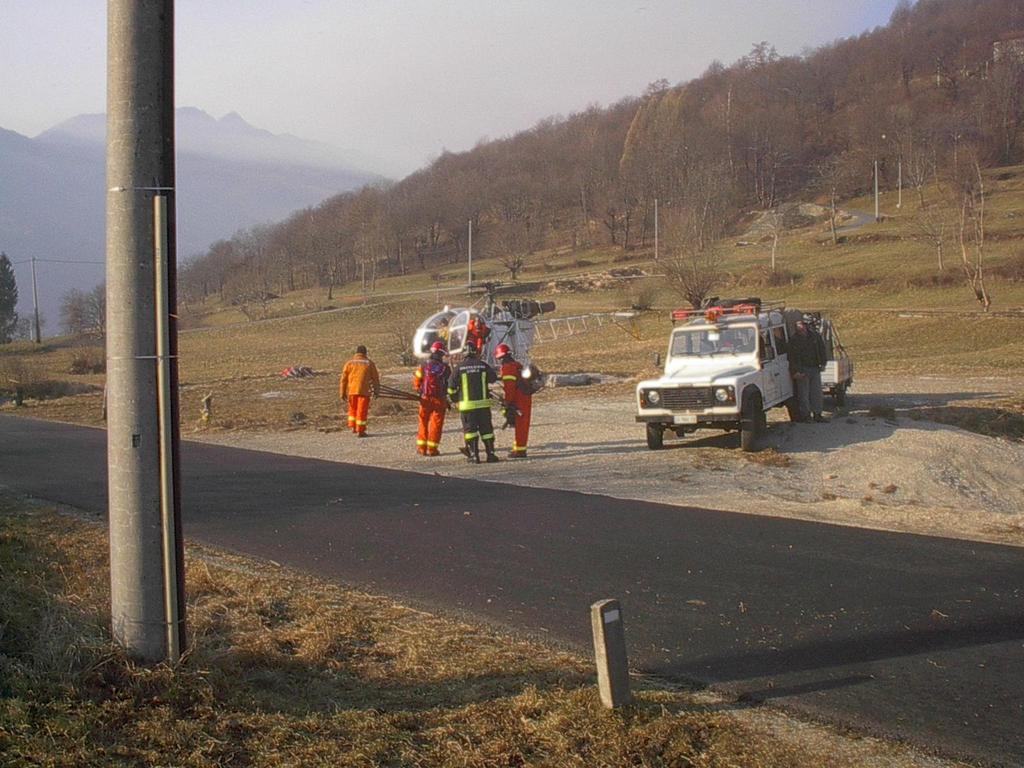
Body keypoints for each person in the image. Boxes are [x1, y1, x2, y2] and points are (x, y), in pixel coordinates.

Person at [447, 341, 499, 463]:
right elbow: (493, 378)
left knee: (470, 431)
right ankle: (491, 455)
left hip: (467, 406)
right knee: (487, 431)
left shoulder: (459, 368)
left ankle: (474, 456)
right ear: (476, 352)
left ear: (464, 353)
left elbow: (450, 388)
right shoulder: (483, 365)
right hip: (483, 405)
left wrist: (455, 400)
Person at [413, 341, 452, 456]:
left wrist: (419, 390)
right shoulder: (445, 368)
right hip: (439, 399)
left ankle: (421, 448)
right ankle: (432, 449)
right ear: (441, 354)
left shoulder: (424, 365)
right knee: (436, 424)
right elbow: (449, 385)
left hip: (425, 398)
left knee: (423, 422)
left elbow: (417, 381)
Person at [496, 343, 533, 458]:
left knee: (520, 423)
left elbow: (510, 388)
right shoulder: (516, 365)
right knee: (522, 423)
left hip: (518, 398)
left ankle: (520, 451)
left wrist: (507, 402)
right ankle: (518, 447)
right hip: (525, 396)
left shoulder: (507, 368)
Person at [788, 319, 829, 423]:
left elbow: (822, 350)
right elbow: (791, 357)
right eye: (798, 327)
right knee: (803, 395)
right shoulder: (793, 340)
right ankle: (806, 416)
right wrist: (795, 371)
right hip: (802, 370)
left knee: (817, 393)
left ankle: (818, 414)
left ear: (806, 326)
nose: (801, 328)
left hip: (815, 367)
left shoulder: (815, 337)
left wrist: (823, 363)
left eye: (802, 326)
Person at [339, 344, 380, 437]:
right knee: (361, 411)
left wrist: (342, 393)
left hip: (352, 391)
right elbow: (375, 379)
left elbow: (343, 379)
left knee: (353, 409)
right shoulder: (369, 363)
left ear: (356, 353)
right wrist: (376, 391)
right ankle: (360, 431)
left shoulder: (349, 363)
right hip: (364, 391)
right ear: (365, 353)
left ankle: (353, 427)